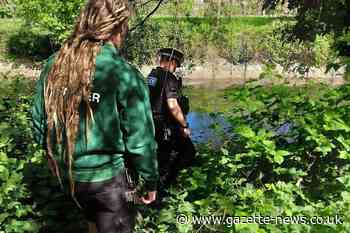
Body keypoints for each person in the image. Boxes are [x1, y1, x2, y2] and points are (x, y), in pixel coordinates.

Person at [31, 0, 158, 232]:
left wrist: (50, 155)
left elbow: (39, 120)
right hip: (110, 182)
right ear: (118, 27)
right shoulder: (123, 73)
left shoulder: (55, 64)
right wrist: (150, 180)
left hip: (70, 177)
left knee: (92, 223)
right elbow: (141, 139)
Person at [147, 48, 196, 196]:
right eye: (176, 64)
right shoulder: (169, 78)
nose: (176, 68)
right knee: (188, 152)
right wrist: (184, 125)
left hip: (151, 123)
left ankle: (158, 188)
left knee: (161, 157)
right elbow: (172, 105)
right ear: (172, 62)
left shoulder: (152, 75)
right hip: (165, 125)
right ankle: (165, 189)